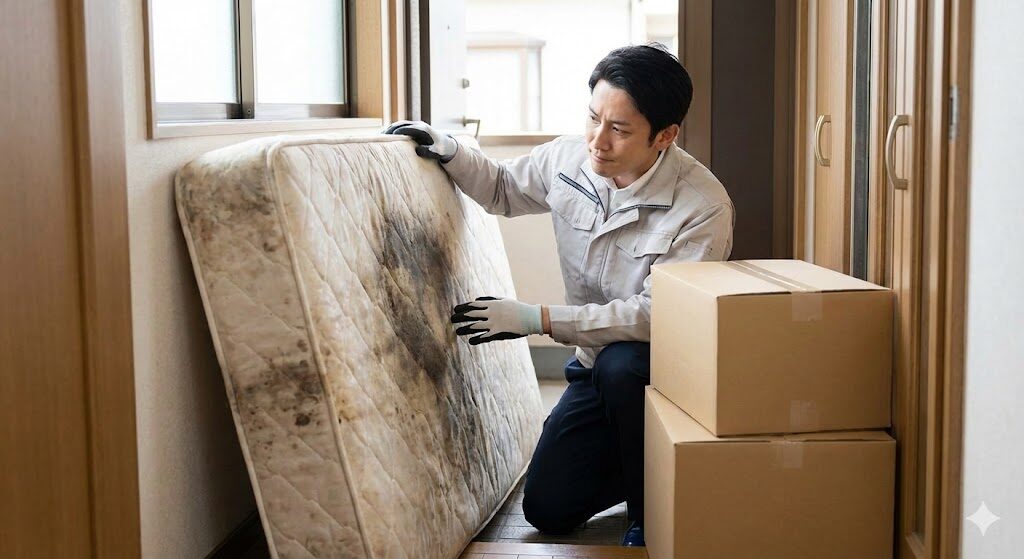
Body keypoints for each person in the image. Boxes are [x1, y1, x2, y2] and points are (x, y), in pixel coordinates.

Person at [384, 43, 734, 547]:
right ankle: (644, 457)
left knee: (623, 364)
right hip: (593, 366)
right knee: (548, 507)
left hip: (661, 372)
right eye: (593, 118)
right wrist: (450, 150)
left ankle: (652, 511)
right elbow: (502, 188)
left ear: (665, 135)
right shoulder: (570, 158)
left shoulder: (702, 206)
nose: (598, 141)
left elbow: (658, 316)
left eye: (619, 129)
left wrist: (536, 319)